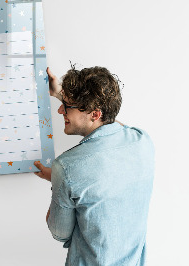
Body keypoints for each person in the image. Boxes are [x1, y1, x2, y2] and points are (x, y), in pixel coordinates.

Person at [34, 66, 154, 265]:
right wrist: (60, 94)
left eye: (67, 106)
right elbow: (112, 126)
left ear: (95, 114)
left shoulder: (66, 167)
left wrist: (58, 180)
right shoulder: (142, 141)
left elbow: (59, 233)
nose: (60, 110)